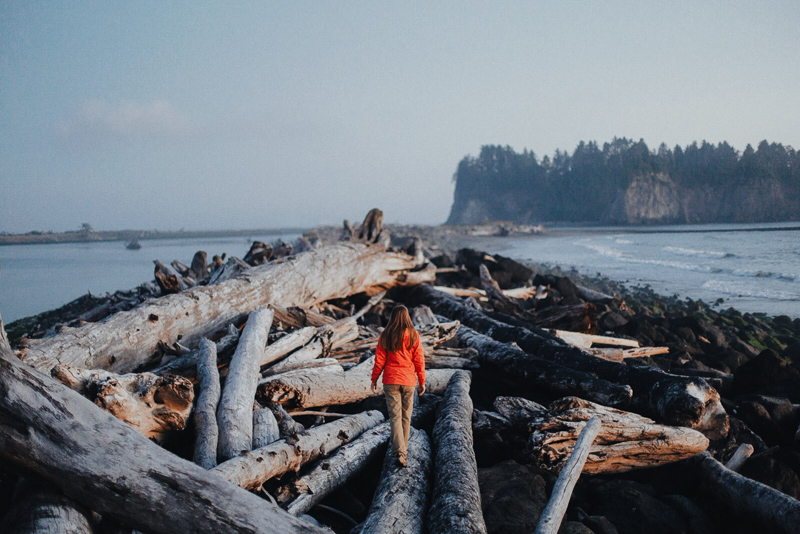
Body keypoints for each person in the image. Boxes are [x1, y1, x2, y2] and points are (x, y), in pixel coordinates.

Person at [371, 304, 425, 467]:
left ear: (392, 317)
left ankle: (399, 452)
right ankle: (404, 452)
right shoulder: (414, 335)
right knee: (406, 417)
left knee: (395, 417)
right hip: (408, 381)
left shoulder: (385, 334)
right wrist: (422, 381)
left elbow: (379, 360)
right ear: (407, 317)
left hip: (391, 380)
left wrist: (374, 378)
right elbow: (419, 360)